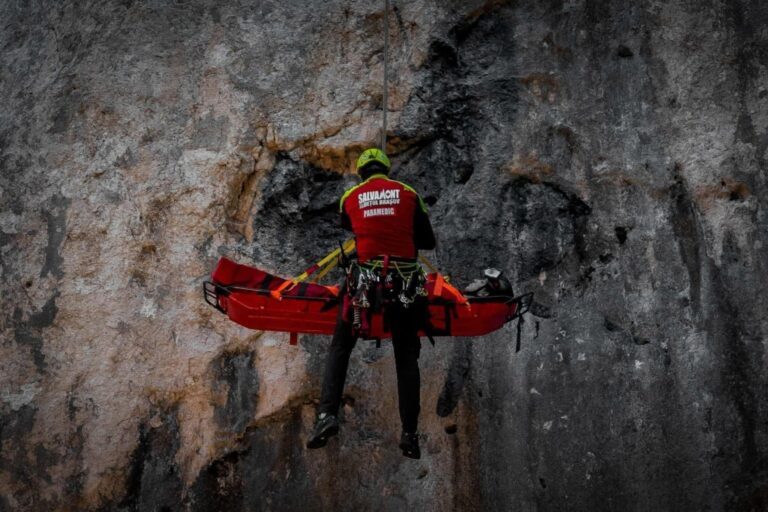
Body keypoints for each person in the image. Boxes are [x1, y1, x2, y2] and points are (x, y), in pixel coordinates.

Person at [306, 148, 436, 459]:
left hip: (364, 290)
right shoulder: (408, 193)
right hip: (404, 288)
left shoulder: (350, 197)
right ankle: (409, 434)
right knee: (406, 357)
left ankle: (326, 416)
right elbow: (428, 242)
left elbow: (352, 229)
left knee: (341, 345)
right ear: (386, 170)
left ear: (362, 172)